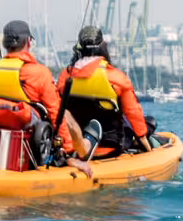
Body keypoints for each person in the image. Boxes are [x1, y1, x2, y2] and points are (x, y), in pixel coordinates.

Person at [0, 19, 91, 173]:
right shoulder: (39, 73)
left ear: (4, 43)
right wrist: (69, 154)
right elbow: (57, 115)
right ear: (28, 41)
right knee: (63, 114)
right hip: (25, 154)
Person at [56, 25, 152, 157]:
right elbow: (133, 112)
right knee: (150, 122)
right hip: (111, 148)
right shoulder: (117, 78)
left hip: (74, 146)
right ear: (103, 46)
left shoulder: (65, 76)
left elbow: (57, 110)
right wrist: (145, 144)